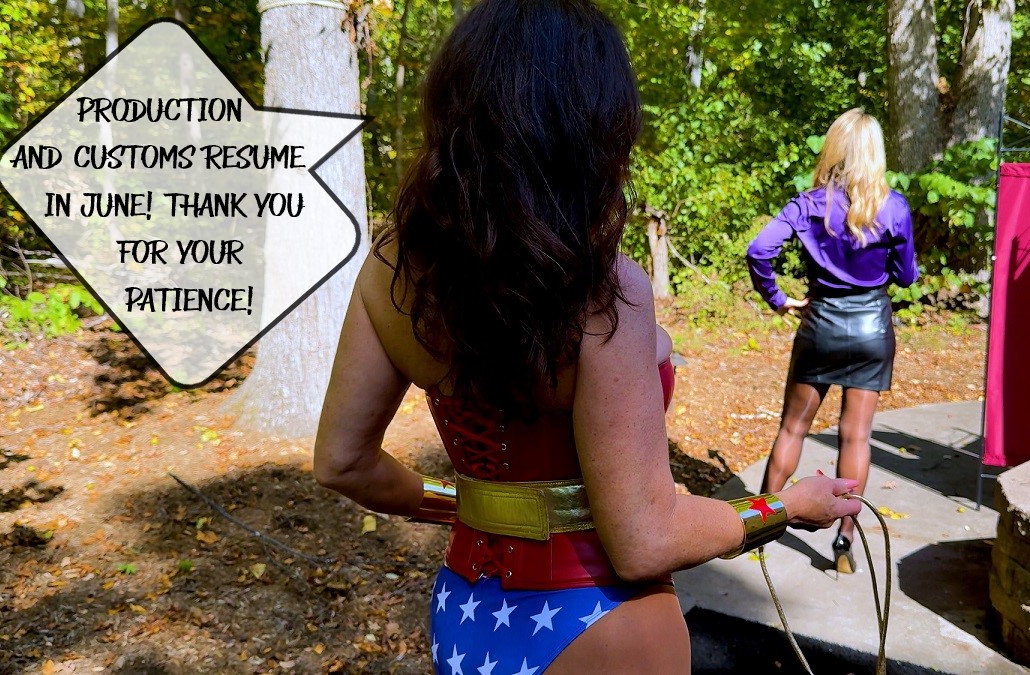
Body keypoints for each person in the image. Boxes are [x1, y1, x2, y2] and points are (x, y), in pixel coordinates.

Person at [313, 1, 860, 672]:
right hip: (602, 627)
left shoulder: (391, 265)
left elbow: (342, 462)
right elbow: (644, 538)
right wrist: (785, 507)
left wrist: (481, 505)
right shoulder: (604, 292)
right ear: (593, 130)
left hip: (466, 615)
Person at [745, 108, 918, 575]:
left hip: (820, 325)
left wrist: (777, 298)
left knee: (792, 430)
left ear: (833, 150)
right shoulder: (894, 207)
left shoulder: (808, 205)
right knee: (856, 436)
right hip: (871, 330)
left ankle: (758, 529)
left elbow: (759, 249)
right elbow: (906, 277)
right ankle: (844, 541)